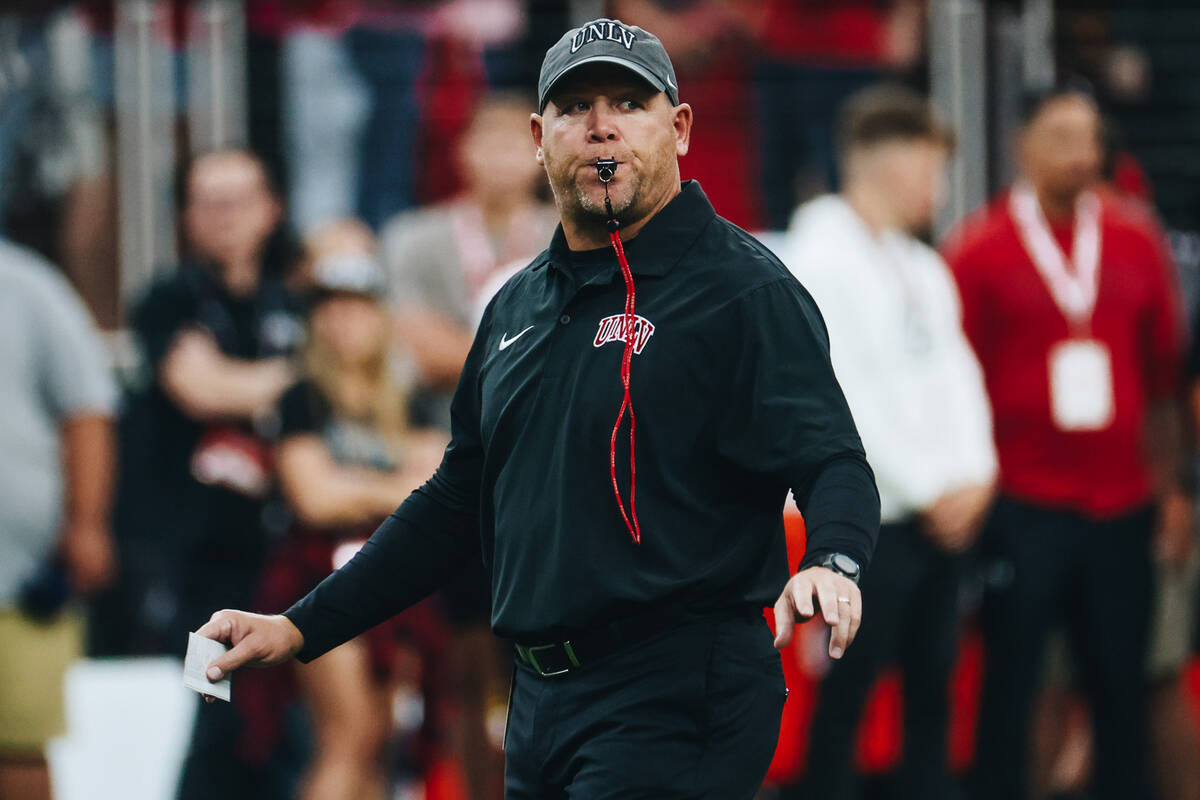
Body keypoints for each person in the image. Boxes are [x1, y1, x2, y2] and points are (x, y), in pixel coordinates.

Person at [196, 19, 880, 799]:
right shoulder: (514, 302)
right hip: (540, 699)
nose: (601, 125)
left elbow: (830, 457)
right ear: (539, 136)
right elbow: (457, 499)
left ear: (680, 128)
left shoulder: (742, 291)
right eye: (575, 106)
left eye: (629, 101)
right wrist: (298, 626)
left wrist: (834, 559)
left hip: (679, 689)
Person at [942, 86, 1190, 800]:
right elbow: (958, 387)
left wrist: (1172, 492)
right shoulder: (980, 249)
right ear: (1023, 145)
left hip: (1123, 502)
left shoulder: (1137, 239)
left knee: (1121, 684)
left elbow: (1162, 381)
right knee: (1012, 686)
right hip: (1023, 503)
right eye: (1063, 137)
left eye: (1091, 138)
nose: (1083, 155)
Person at [783, 86, 996, 800]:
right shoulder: (817, 257)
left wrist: (977, 477)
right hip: (866, 521)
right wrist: (929, 490)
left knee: (935, 694)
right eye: (931, 167)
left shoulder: (924, 265)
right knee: (847, 697)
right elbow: (839, 399)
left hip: (940, 518)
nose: (939, 185)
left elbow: (960, 378)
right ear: (888, 163)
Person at [123, 148, 306, 800]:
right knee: (215, 708)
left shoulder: (293, 299)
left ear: (271, 210)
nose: (224, 215)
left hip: (284, 555)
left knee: (284, 727)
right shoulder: (168, 299)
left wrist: (260, 386)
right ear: (186, 217)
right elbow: (202, 387)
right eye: (209, 201)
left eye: (239, 199)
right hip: (196, 560)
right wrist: (302, 382)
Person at [256, 220, 446, 800]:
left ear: (380, 315)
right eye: (330, 309)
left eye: (357, 307)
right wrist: (389, 485)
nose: (343, 321)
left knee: (383, 738)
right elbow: (313, 498)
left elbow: (436, 489)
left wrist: (352, 483)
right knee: (348, 736)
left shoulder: (411, 395)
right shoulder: (300, 396)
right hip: (320, 576)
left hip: (395, 576)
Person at [0, 237, 117, 800]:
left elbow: (87, 408)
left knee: (19, 745)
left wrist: (87, 524)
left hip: (20, 577)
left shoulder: (25, 285)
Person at [380, 91, 558, 432]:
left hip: (546, 425)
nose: (501, 157)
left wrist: (459, 349)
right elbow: (416, 344)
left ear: (543, 154)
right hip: (441, 425)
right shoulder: (412, 237)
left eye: (513, 144)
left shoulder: (570, 237)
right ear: (462, 151)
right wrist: (536, 353)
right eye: (489, 142)